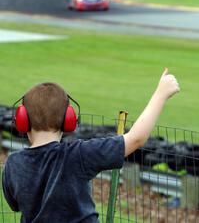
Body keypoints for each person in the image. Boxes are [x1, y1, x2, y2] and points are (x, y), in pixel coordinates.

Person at [2, 68, 180, 223]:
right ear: (69, 120)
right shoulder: (79, 155)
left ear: (22, 120)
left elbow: (16, 205)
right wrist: (160, 94)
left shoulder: (13, 164)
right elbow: (136, 138)